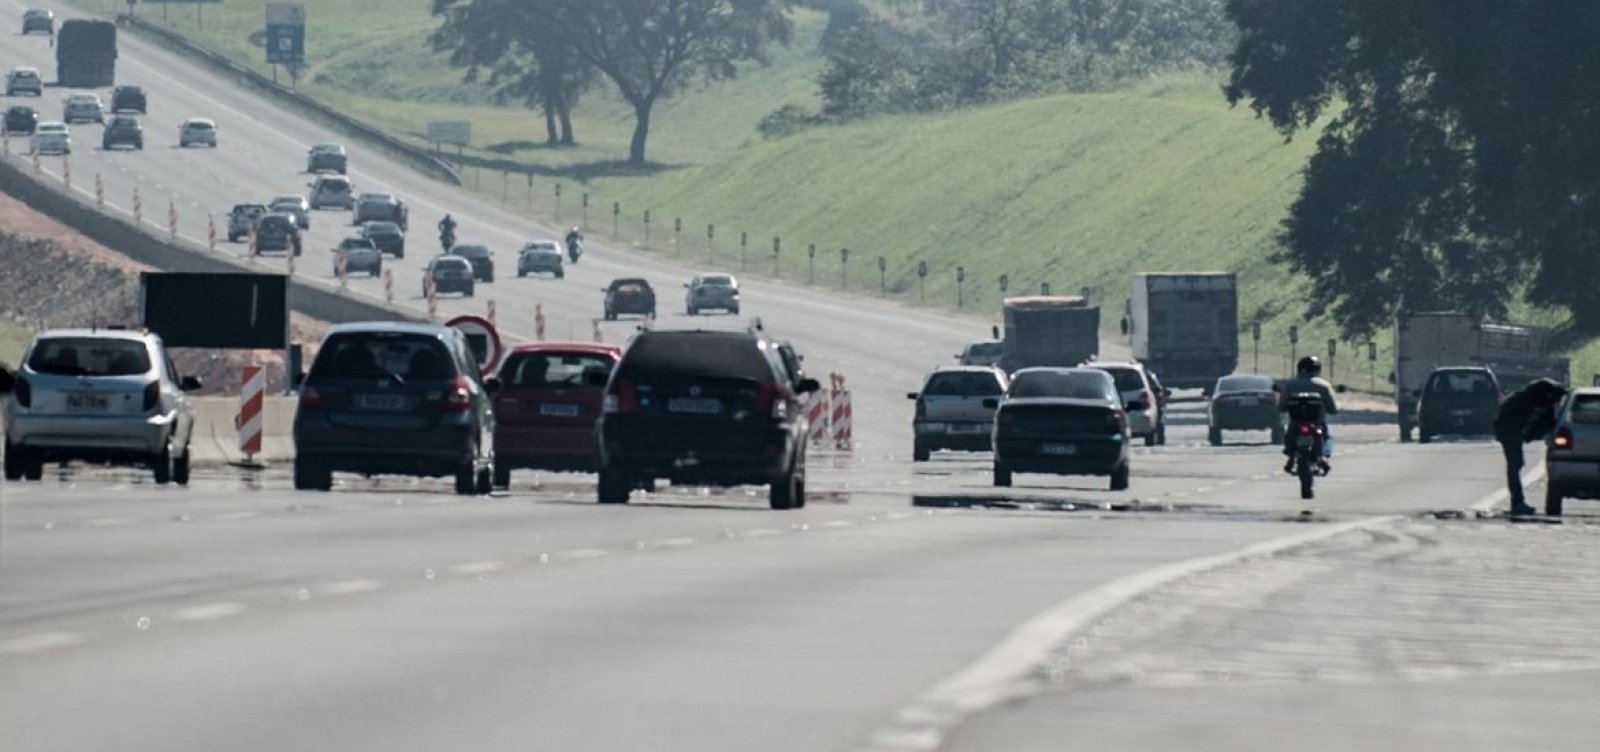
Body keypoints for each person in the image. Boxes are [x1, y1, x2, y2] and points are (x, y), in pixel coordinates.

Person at [1493, 378, 1568, 516]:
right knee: (1515, 465)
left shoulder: (1542, 404)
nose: (1556, 401)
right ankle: (1517, 503)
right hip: (1509, 433)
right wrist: (1522, 434)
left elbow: (1549, 424)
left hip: (1514, 434)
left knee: (1516, 466)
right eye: (1554, 396)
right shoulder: (1521, 401)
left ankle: (1518, 502)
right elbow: (1507, 421)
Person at [1280, 355, 1339, 474]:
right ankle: (1323, 456)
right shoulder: (1323, 385)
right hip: (1317, 423)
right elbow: (1333, 408)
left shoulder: (1291, 385)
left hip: (1296, 423)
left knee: (1290, 432)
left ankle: (1291, 456)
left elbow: (1282, 406)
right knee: (1326, 437)